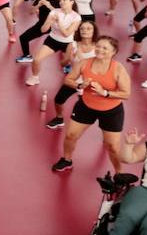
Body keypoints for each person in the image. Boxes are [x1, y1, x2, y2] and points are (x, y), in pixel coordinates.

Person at [52, 36, 131, 174]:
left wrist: (105, 93)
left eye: (105, 48)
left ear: (114, 52)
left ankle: (119, 173)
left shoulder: (118, 68)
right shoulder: (84, 63)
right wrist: (80, 85)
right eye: (98, 46)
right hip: (86, 105)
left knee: (112, 146)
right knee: (70, 135)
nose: (100, 49)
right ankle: (67, 160)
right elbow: (68, 79)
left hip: (111, 110)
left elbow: (126, 94)